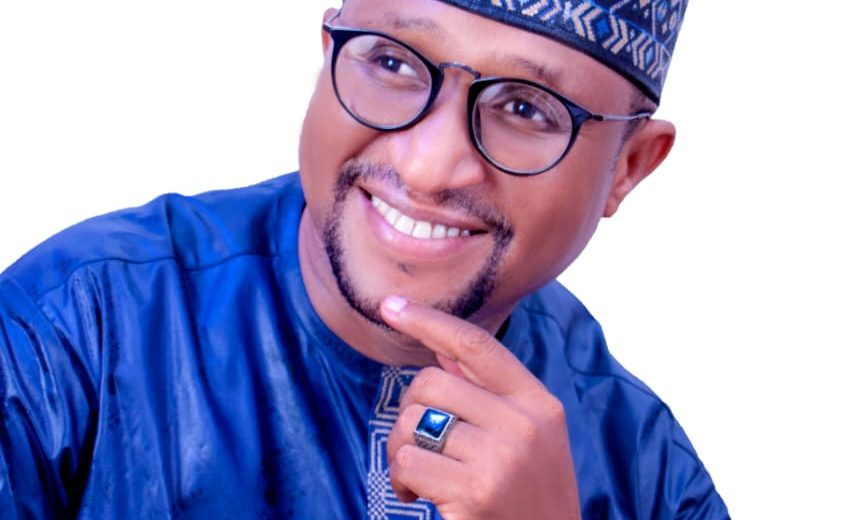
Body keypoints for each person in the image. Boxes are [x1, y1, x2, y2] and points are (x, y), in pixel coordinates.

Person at [0, 0, 729, 518]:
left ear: (628, 167)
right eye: (392, 62)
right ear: (328, 56)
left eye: (526, 108)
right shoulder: (73, 336)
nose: (428, 166)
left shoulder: (646, 472)